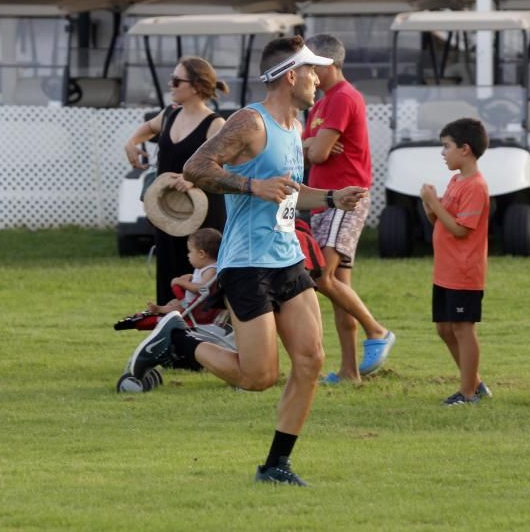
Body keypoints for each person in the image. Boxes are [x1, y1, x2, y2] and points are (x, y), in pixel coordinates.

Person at [132, 35, 368, 486]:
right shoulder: (250, 122)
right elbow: (198, 169)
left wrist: (333, 198)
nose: (320, 79)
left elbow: (290, 193)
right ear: (291, 75)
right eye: (313, 72)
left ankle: (276, 465)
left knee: (312, 359)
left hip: (287, 258)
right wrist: (252, 187)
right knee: (258, 377)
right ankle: (178, 341)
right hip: (247, 263)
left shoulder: (296, 126)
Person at [301, 33, 394, 384]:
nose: (304, 71)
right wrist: (311, 143)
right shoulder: (321, 103)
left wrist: (312, 145)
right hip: (326, 198)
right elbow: (306, 146)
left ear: (326, 64)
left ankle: (377, 330)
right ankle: (350, 371)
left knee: (320, 276)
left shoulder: (343, 99)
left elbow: (319, 153)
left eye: (309, 64)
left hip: (345, 196)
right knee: (338, 285)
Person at [124, 57, 227, 305]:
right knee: (169, 281)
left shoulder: (215, 125)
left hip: (202, 218)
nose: (170, 84)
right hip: (168, 214)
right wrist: (131, 143)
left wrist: (193, 177)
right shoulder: (169, 114)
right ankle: (171, 337)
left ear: (195, 87)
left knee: (202, 289)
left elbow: (223, 169)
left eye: (176, 80)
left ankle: (205, 340)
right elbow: (148, 127)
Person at [420, 118, 490, 406]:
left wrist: (435, 204)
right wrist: (430, 204)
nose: (443, 152)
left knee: (463, 328)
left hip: (464, 271)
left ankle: (468, 392)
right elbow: (439, 221)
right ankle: (473, 382)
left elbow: (461, 229)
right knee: (445, 328)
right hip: (445, 270)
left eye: (446, 146)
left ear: (465, 149)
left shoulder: (476, 186)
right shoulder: (455, 180)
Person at [146, 227, 220, 315]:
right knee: (174, 302)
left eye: (190, 251)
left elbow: (202, 288)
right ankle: (162, 309)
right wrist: (191, 277)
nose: (188, 255)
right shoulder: (204, 268)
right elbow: (203, 281)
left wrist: (181, 283)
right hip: (193, 304)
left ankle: (160, 309)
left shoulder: (211, 270)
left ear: (201, 254)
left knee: (177, 306)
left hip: (199, 310)